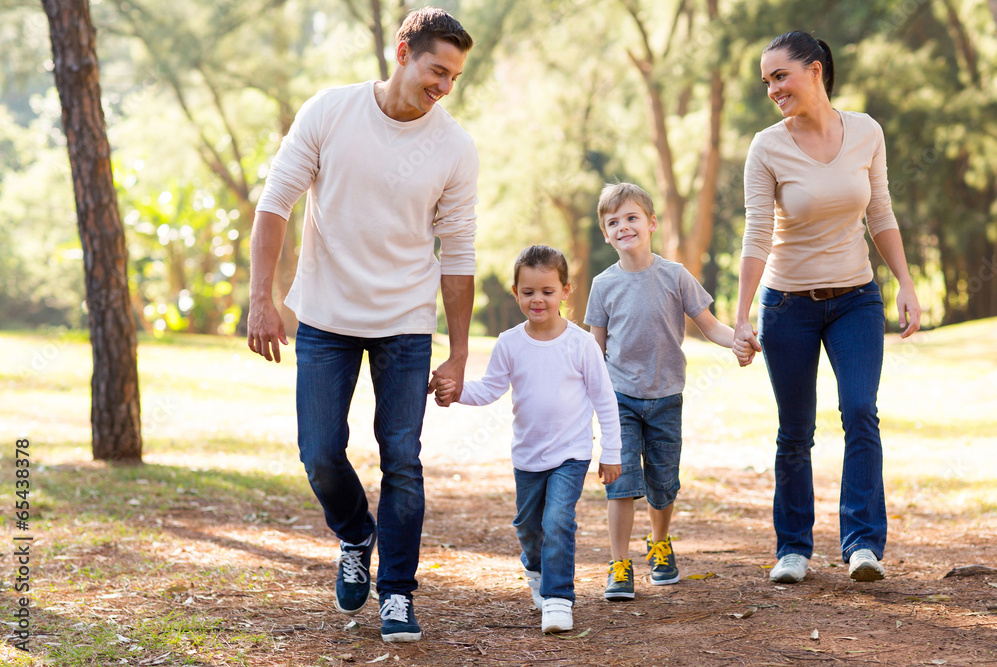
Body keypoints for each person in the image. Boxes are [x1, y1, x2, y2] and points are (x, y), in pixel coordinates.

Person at [246, 8, 477, 643]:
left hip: (405, 321)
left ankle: (398, 593)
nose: (444, 88)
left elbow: (458, 255)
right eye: (437, 71)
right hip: (324, 314)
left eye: (455, 77)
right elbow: (276, 203)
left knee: (402, 458)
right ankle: (355, 533)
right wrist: (261, 297)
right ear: (402, 52)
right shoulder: (330, 111)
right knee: (319, 453)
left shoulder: (454, 147)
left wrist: (457, 353)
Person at [735, 31, 922, 585]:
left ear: (815, 71)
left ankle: (863, 543)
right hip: (787, 304)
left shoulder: (866, 132)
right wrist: (742, 317)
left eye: (780, 75)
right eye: (766, 80)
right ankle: (793, 548)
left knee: (860, 409)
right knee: (795, 429)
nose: (772, 88)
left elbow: (881, 215)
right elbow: (756, 236)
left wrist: (905, 282)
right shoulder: (766, 146)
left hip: (856, 299)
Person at [434, 245, 622, 634]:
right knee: (528, 526)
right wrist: (455, 392)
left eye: (548, 291)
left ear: (565, 292)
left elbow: (605, 400)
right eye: (529, 291)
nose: (538, 299)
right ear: (516, 293)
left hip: (571, 453)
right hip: (528, 456)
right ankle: (536, 569)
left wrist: (611, 452)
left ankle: (558, 598)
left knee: (558, 520)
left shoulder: (581, 344)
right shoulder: (510, 343)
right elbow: (489, 388)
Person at [584, 182, 747, 601]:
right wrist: (585, 402)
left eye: (632, 217)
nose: (623, 227)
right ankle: (619, 563)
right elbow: (594, 349)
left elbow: (710, 326)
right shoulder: (603, 285)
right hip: (619, 398)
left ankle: (659, 544)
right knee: (620, 484)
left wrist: (740, 340)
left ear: (652, 223)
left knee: (663, 482)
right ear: (605, 233)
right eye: (613, 222)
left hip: (666, 397)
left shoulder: (675, 276)